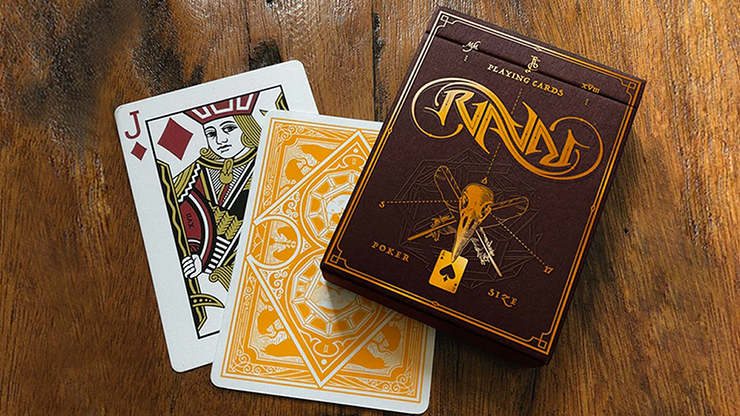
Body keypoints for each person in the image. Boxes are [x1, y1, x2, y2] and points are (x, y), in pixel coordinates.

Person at [173, 94, 263, 335]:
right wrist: (195, 255)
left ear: (246, 127)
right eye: (211, 133)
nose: (220, 139)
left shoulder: (268, 162)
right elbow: (184, 216)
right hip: (210, 280)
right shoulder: (195, 171)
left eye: (229, 129)